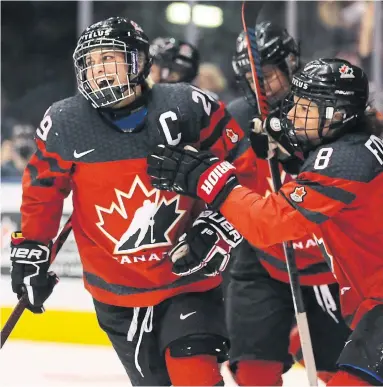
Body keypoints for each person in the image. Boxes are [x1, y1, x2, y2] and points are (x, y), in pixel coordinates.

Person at [9, 16, 262, 386]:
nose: (99, 71)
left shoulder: (188, 105)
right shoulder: (65, 122)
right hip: (116, 289)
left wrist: (221, 224)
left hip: (187, 275)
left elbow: (242, 163)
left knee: (196, 378)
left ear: (139, 62)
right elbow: (42, 190)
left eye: (109, 58)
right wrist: (31, 248)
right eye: (90, 63)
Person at [147, 58, 383, 386]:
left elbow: (271, 224)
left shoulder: (346, 159)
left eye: (307, 108)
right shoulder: (357, 143)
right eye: (296, 103)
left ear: (338, 115)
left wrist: (211, 179)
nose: (293, 115)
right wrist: (292, 157)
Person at [222, 22, 352, 385]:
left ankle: (298, 339)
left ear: (291, 64)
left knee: (338, 373)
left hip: (330, 266)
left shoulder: (329, 108)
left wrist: (293, 155)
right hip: (263, 258)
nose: (257, 84)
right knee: (252, 371)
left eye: (265, 75)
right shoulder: (234, 118)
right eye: (249, 76)